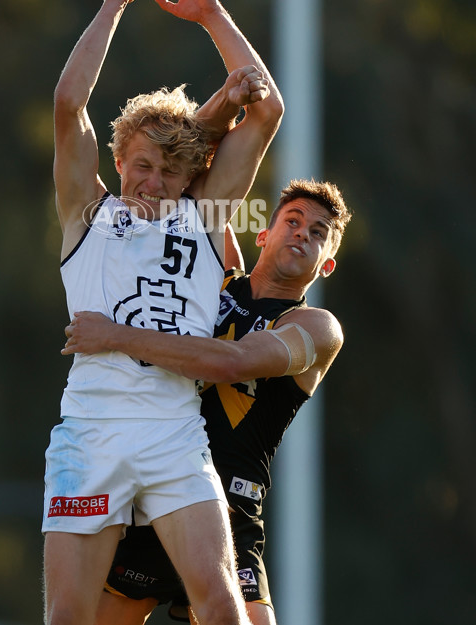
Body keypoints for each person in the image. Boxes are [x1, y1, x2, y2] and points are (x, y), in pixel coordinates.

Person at [43, 0, 284, 625]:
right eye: (141, 164)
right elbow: (67, 104)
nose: (153, 179)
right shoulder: (88, 216)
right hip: (93, 428)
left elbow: (265, 106)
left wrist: (213, 15)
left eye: (169, 168)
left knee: (221, 605)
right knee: (68, 616)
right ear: (120, 160)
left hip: (174, 431)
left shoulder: (203, 216)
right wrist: (117, 1)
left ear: (189, 174)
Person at [63, 178, 352, 625]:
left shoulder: (317, 327)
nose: (302, 234)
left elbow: (232, 363)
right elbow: (198, 190)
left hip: (230, 511)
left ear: (327, 264)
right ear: (264, 234)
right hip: (156, 487)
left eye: (318, 233)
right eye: (292, 222)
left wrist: (115, 335)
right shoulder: (212, 279)